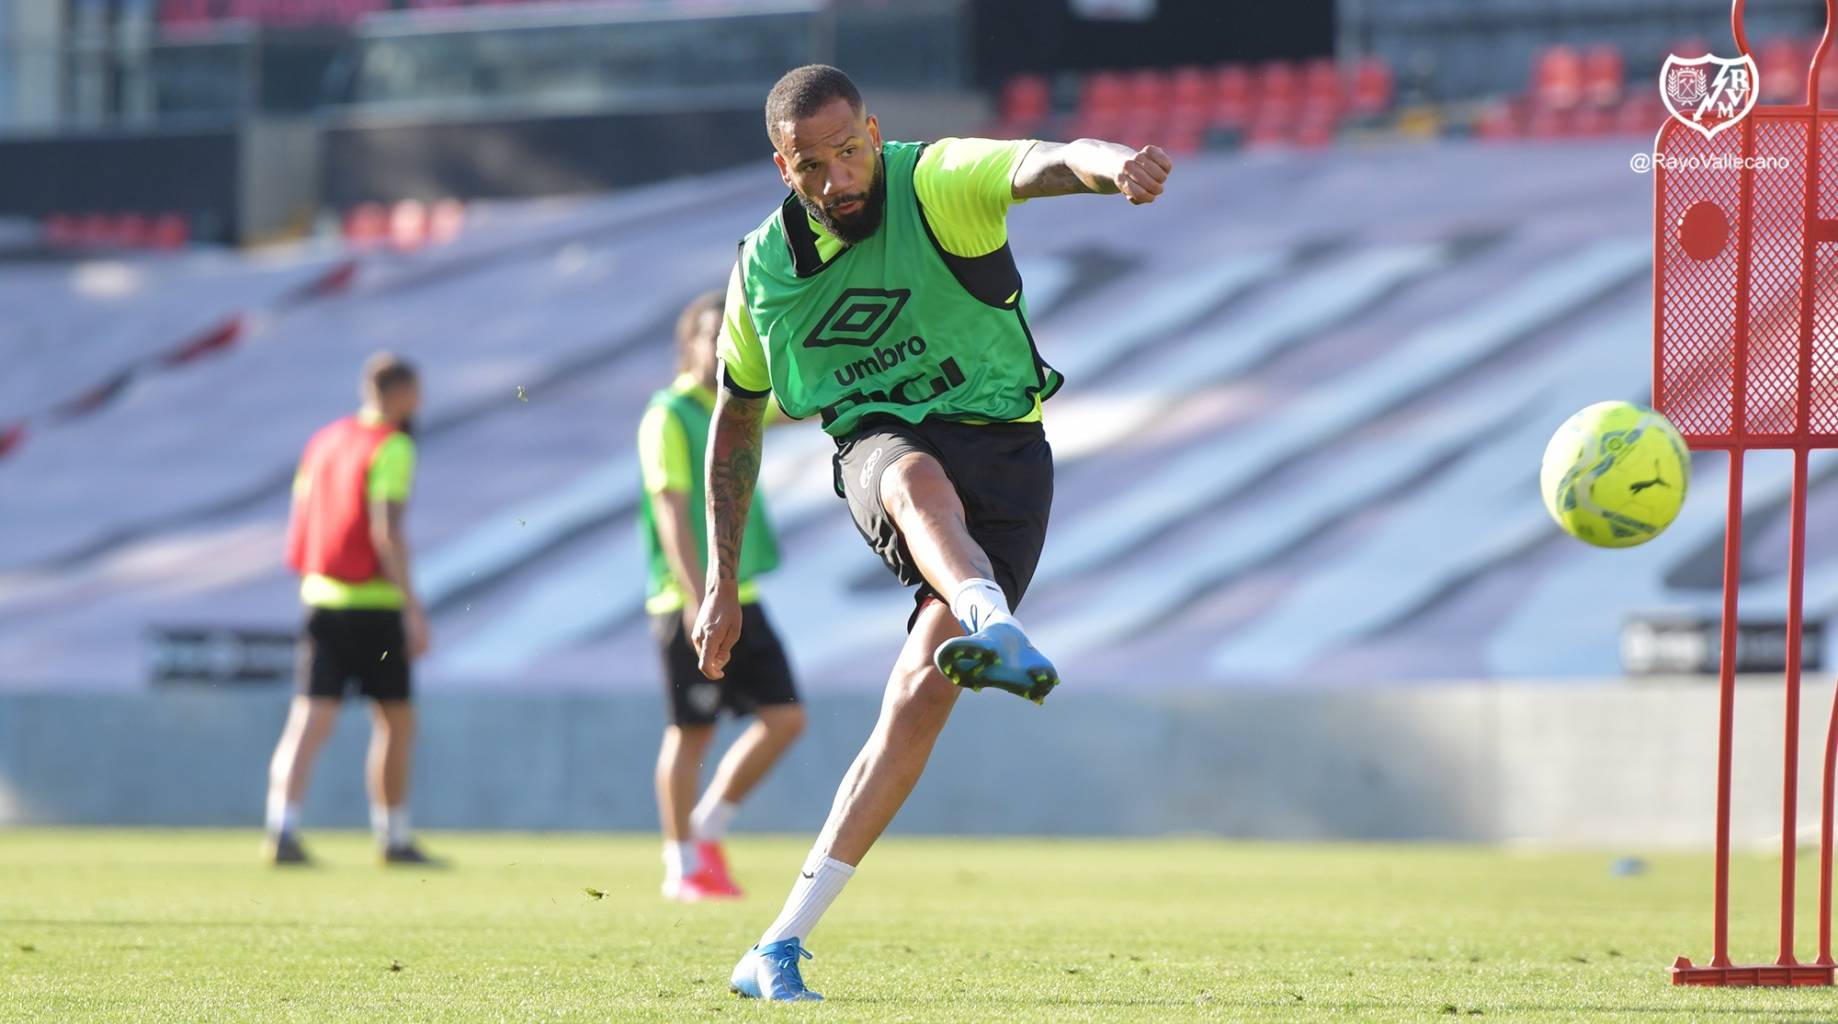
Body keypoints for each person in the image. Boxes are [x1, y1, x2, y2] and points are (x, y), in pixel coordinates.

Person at [695, 65, 1171, 1000]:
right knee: (913, 477)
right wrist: (720, 577)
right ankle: (992, 619)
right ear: (781, 167)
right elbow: (736, 421)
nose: (840, 178)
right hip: (880, 440)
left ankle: (777, 945)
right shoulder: (763, 269)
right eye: (813, 165)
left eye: (849, 151)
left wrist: (1117, 166)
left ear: (874, 131)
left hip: (1009, 455)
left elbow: (1047, 161)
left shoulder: (934, 179)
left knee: (915, 702)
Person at [638, 290, 807, 902]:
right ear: (688, 343)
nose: (722, 347)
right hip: (689, 599)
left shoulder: (733, 407)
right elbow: (670, 513)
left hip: (743, 592)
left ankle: (705, 829)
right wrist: (696, 596)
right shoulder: (670, 414)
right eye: (714, 335)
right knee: (692, 732)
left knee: (786, 718)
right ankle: (679, 864)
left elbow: (800, 406)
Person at [262, 352, 439, 867]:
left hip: (320, 596)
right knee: (397, 721)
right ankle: (393, 836)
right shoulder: (393, 446)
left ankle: (281, 828)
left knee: (308, 720)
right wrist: (413, 608)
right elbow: (387, 532)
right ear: (401, 393)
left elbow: (304, 511)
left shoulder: (325, 440)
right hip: (374, 602)